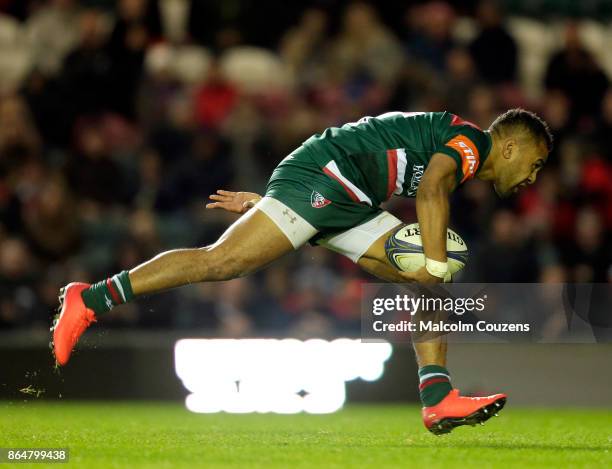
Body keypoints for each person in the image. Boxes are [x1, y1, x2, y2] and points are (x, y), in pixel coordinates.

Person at [52, 108, 552, 434]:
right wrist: (438, 259)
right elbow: (430, 191)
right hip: (328, 177)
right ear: (509, 146)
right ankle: (89, 299)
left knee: (427, 285)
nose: (533, 175)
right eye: (534, 162)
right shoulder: (470, 144)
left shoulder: (463, 145)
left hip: (347, 192)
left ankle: (437, 396)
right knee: (222, 262)